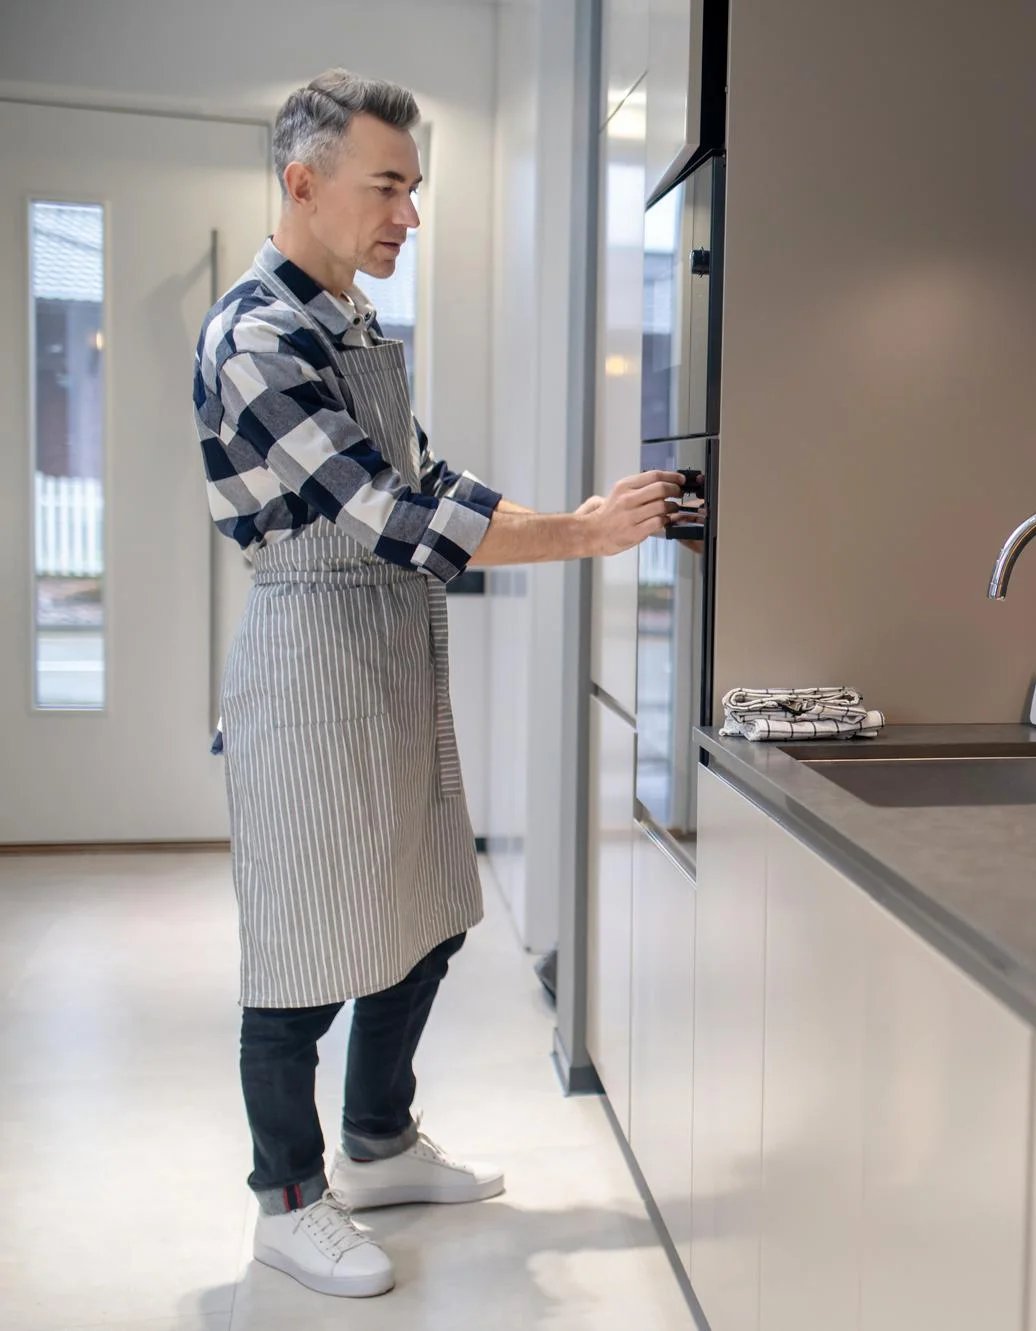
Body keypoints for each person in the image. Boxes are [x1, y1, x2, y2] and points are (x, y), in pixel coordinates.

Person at [192, 69, 686, 1299]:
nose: (408, 215)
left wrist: (565, 518)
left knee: (428, 908)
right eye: (388, 187)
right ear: (302, 184)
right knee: (303, 949)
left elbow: (431, 478)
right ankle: (287, 1198)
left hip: (387, 649)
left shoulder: (347, 321)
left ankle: (375, 1142)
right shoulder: (258, 336)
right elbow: (384, 510)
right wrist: (579, 535)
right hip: (311, 658)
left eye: (414, 190)